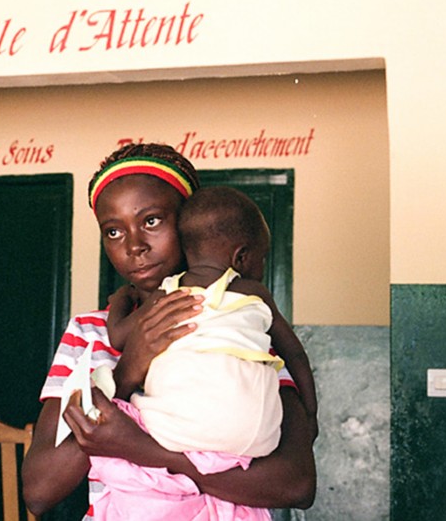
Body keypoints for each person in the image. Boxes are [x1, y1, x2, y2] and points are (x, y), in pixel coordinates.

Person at [22, 143, 316, 520]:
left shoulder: (241, 322)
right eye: (113, 231)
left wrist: (144, 450)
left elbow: (295, 484)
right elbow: (40, 491)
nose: (134, 246)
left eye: (151, 221)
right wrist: (127, 371)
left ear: (190, 222)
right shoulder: (89, 333)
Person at [105, 185, 318, 458]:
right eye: (262, 258)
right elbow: (296, 356)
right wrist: (311, 413)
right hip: (257, 434)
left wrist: (122, 298)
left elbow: (117, 336)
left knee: (127, 415)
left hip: (169, 431)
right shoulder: (254, 293)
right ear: (240, 258)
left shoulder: (167, 295)